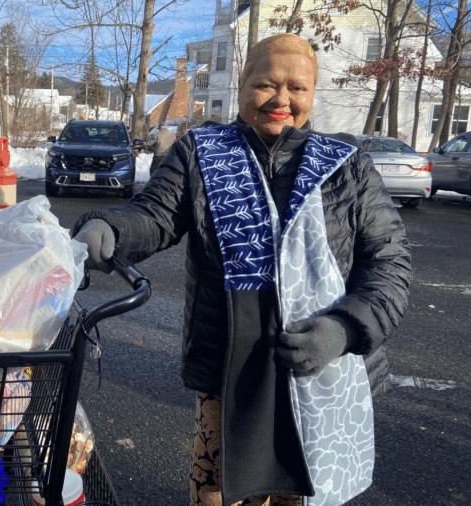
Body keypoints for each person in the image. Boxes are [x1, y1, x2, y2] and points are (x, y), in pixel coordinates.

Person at [72, 33, 411, 506]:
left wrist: (345, 328)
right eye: (267, 84)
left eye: (298, 88)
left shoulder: (347, 166)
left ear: (313, 95)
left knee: (304, 498)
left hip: (322, 373)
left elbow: (389, 262)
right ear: (242, 84)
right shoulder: (202, 151)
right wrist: (109, 227)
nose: (282, 100)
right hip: (230, 379)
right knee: (220, 495)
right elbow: (154, 215)